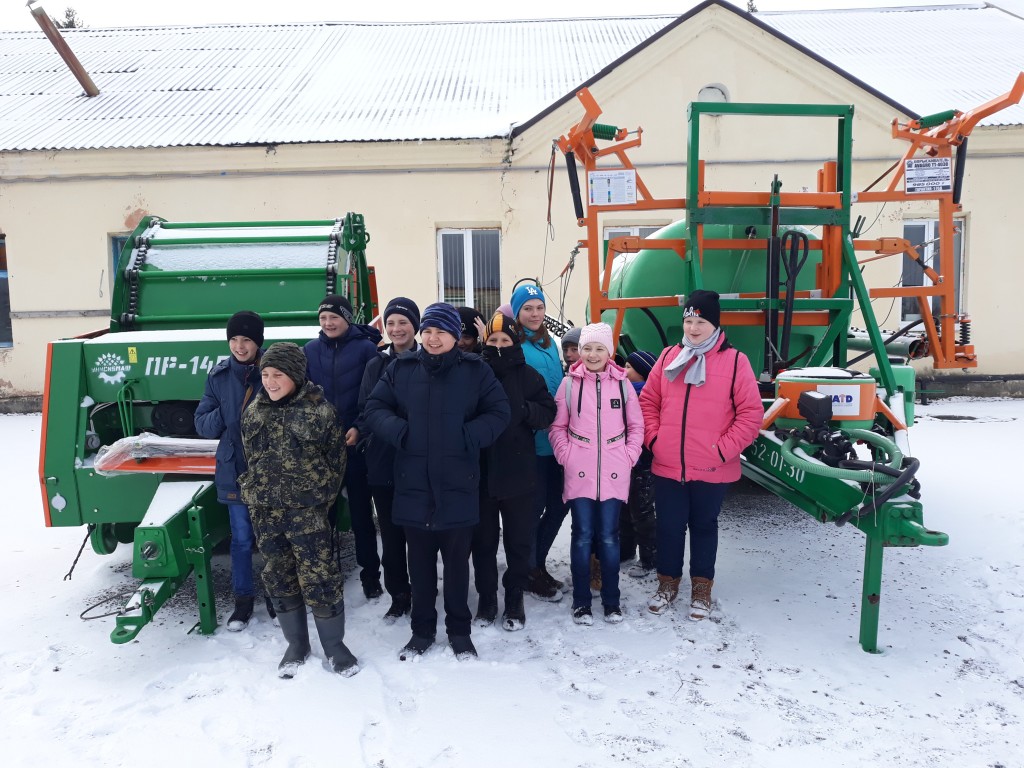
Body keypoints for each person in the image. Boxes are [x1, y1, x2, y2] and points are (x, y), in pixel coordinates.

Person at [364, 302, 510, 660]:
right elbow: (375, 408)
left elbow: (499, 411)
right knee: (421, 567)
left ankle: (459, 632)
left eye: (440, 332)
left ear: (455, 336)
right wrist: (400, 432)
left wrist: (468, 435)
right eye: (427, 331)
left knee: (457, 567)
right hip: (412, 484)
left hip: (458, 484)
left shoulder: (475, 371)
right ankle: (422, 631)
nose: (432, 338)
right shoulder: (401, 369)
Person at [639, 290, 762, 619]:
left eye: (701, 322)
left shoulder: (735, 361)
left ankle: (701, 588)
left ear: (715, 325)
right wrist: (655, 439)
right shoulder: (669, 356)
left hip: (712, 466)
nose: (693, 329)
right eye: (689, 321)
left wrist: (721, 450)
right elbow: (648, 402)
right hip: (668, 462)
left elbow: (750, 415)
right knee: (669, 526)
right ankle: (667, 583)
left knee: (704, 526)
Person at [239, 342, 359, 678]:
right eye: (265, 374)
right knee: (278, 575)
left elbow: (336, 462)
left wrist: (318, 500)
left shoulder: (320, 411)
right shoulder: (254, 412)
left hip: (308, 513)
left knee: (320, 576)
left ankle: (334, 646)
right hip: (266, 513)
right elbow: (250, 457)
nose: (270, 381)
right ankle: (296, 644)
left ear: (295, 375)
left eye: (278, 374)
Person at [549, 323, 644, 625]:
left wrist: (628, 456)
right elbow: (557, 426)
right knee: (582, 536)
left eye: (599, 348)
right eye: (587, 348)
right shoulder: (569, 385)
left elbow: (636, 426)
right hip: (580, 472)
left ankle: (611, 601)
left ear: (609, 352)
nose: (592, 355)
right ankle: (581, 602)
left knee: (609, 537)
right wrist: (566, 455)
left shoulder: (622, 385)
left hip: (615, 471)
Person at [471, 312, 556, 631]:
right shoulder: (475, 373)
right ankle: (487, 598)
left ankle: (514, 596)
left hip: (519, 472)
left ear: (515, 341)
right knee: (483, 542)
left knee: (518, 542)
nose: (499, 345)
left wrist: (524, 409)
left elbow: (548, 411)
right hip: (480, 473)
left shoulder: (528, 375)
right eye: (493, 340)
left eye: (505, 340)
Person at [194, 310, 272, 631]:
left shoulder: (273, 370)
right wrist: (225, 416)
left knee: (272, 538)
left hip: (269, 469)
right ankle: (243, 602)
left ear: (258, 342)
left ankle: (277, 598)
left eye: (247, 340)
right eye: (234, 339)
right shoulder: (219, 376)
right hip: (234, 469)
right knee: (240, 539)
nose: (240, 346)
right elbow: (202, 423)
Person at [303, 294, 385, 600]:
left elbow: (375, 395)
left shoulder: (366, 349)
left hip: (355, 446)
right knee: (323, 518)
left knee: (362, 515)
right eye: (323, 318)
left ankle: (370, 576)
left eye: (334, 317)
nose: (328, 323)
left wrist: (359, 427)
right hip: (322, 450)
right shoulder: (310, 350)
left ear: (347, 319)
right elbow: (303, 396)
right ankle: (326, 576)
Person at [354, 297, 420, 623]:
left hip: (419, 463)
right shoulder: (375, 365)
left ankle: (422, 591)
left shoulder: (428, 360)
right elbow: (367, 409)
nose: (396, 329)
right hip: (383, 462)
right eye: (391, 323)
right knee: (392, 538)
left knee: (420, 537)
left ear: (415, 326)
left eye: (403, 322)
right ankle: (399, 595)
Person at [509, 283, 567, 602]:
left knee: (559, 505)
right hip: (531, 443)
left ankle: (537, 563)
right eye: (527, 308)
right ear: (517, 312)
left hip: (557, 441)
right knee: (534, 509)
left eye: (539, 307)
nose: (534, 313)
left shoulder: (550, 344)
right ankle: (528, 570)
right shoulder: (515, 345)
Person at [623, 350, 659, 577]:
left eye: (628, 367)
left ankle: (650, 558)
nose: (623, 370)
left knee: (642, 511)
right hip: (623, 461)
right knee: (623, 509)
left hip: (643, 462)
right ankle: (625, 551)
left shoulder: (647, 397)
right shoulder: (622, 392)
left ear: (643, 372)